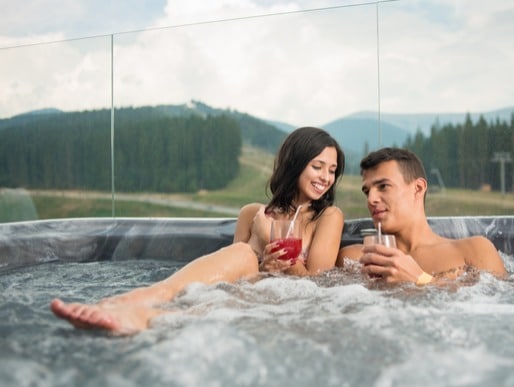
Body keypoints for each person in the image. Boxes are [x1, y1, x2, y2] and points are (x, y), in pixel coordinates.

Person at [51, 126, 346, 335]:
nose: (325, 177)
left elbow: (320, 285)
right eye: (317, 166)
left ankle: (142, 303)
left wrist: (270, 239)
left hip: (290, 305)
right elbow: (224, 282)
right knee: (230, 275)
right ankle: (139, 310)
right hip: (244, 297)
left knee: (244, 254)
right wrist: (264, 265)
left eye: (332, 170)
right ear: (295, 165)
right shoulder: (251, 213)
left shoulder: (328, 217)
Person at [337, 147, 507, 285]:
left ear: (418, 188)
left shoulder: (473, 250)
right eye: (367, 192)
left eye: (383, 186)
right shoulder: (355, 259)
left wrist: (421, 279)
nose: (371, 199)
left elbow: (500, 310)